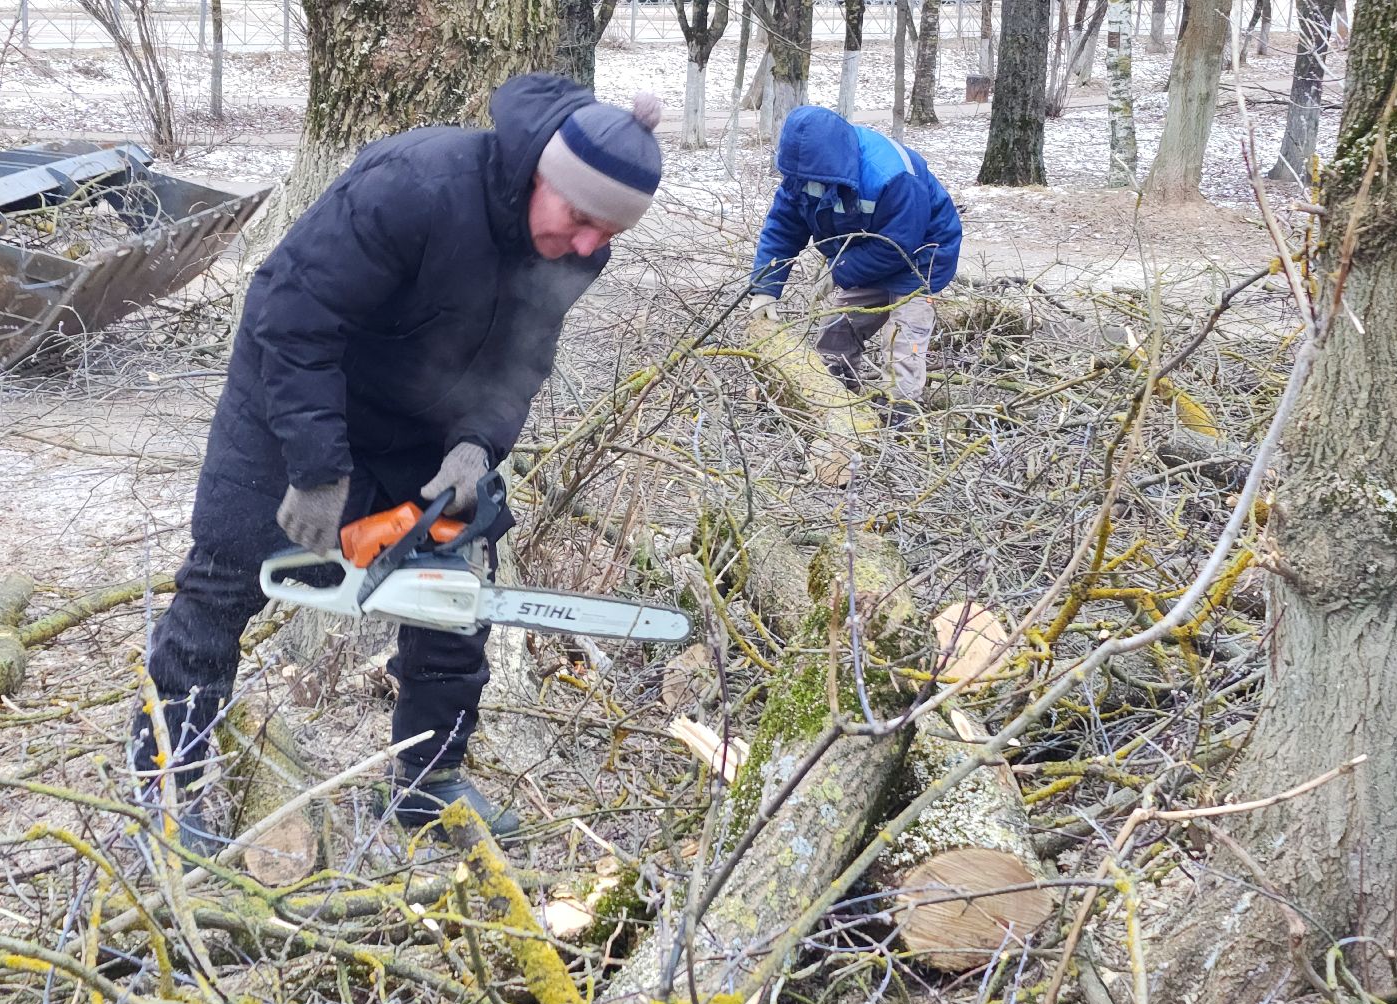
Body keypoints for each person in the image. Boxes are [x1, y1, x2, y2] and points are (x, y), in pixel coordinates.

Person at [136, 73, 664, 847]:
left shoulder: (577, 249)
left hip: (423, 419)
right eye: (581, 219)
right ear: (540, 174)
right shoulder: (415, 187)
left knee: (453, 595)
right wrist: (317, 466)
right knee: (223, 581)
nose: (588, 245)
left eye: (607, 235)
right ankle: (164, 789)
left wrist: (476, 445)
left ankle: (427, 781)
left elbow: (522, 357)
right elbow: (290, 317)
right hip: (293, 395)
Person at [747, 105, 962, 425]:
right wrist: (765, 287)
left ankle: (901, 411)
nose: (803, 184)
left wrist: (839, 270)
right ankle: (835, 396)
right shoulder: (801, 176)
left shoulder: (891, 176)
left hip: (921, 258)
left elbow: (900, 246)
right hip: (864, 254)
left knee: (903, 340)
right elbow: (783, 227)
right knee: (837, 330)